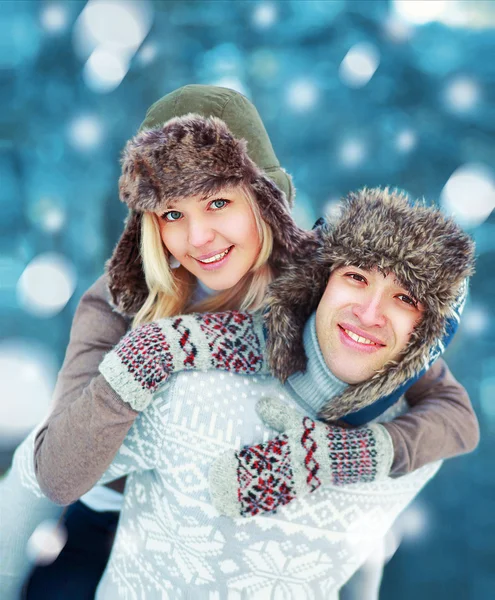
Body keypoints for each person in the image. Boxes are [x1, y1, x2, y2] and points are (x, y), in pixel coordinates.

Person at [43, 187, 475, 598]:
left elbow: (456, 421)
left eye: (404, 296)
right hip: (109, 480)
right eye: (357, 277)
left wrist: (335, 456)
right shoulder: (246, 308)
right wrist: (158, 350)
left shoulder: (390, 346)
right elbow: (49, 469)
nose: (370, 310)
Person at [0, 84, 305, 600]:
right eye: (172, 214)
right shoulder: (117, 303)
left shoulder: (328, 302)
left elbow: (443, 413)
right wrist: (150, 356)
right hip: (105, 529)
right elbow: (55, 473)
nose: (198, 237)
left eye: (218, 202)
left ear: (266, 201)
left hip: (248, 555)